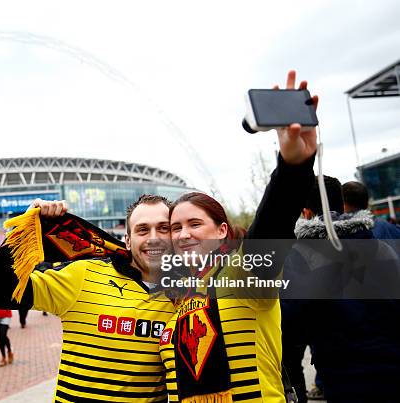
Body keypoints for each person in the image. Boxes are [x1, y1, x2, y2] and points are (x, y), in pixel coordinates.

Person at [159, 70, 319, 402]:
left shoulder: (243, 271)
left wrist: (293, 167)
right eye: (175, 227)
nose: (184, 234)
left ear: (221, 231)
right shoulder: (181, 294)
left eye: (194, 224)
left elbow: (271, 229)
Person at [0, 195, 176, 402]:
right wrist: (27, 226)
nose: (154, 238)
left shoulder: (188, 294)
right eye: (142, 229)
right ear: (128, 240)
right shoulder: (83, 275)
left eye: (164, 228)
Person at [282, 175, 400, 403]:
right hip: (392, 368)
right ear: (340, 204)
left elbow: (292, 326)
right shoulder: (381, 246)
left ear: (306, 213)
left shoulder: (300, 257)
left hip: (343, 378)